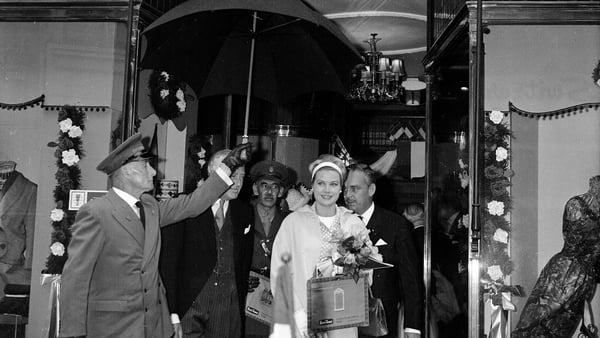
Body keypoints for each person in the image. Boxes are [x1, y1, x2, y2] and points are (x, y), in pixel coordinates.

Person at [58, 133, 250, 338]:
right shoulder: (97, 213)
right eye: (146, 166)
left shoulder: (150, 207)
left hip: (151, 327)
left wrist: (229, 165)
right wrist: (73, 333)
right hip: (112, 327)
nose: (153, 171)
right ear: (129, 171)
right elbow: (75, 279)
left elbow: (194, 203)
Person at [160, 149, 254, 338]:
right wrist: (172, 312)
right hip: (189, 307)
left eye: (242, 177)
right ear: (214, 174)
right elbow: (169, 264)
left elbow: (242, 264)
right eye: (232, 175)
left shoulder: (244, 212)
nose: (237, 183)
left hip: (226, 311)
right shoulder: (184, 207)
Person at [271, 154, 366, 338]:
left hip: (343, 316)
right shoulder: (294, 222)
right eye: (321, 183)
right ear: (312, 186)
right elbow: (279, 272)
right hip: (302, 316)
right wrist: (299, 316)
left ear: (341, 189)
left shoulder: (352, 222)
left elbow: (366, 270)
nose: (327, 190)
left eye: (333, 184)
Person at [512, 175, 600, 337]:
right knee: (538, 322)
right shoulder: (577, 205)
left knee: (560, 329)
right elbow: (574, 243)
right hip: (566, 272)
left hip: (585, 278)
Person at [344, 163, 423, 338]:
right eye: (345, 189)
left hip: (381, 323)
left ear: (371, 189)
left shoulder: (395, 224)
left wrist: (412, 327)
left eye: (354, 189)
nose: (348, 195)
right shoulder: (339, 223)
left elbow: (411, 280)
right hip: (342, 321)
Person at [245, 160, 290, 338]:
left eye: (274, 186)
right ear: (256, 189)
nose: (269, 192)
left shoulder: (290, 221)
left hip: (278, 300)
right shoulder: (242, 216)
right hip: (249, 297)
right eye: (264, 186)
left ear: (281, 191)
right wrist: (241, 278)